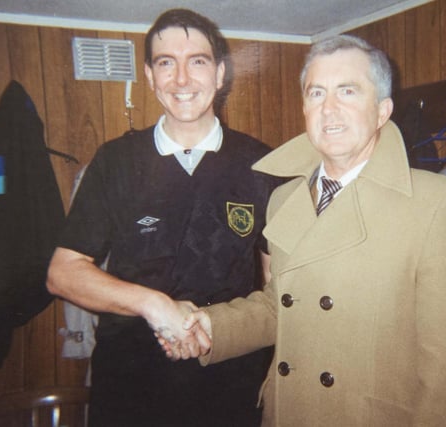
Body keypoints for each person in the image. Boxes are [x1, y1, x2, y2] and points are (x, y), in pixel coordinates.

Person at [164, 34, 446, 426]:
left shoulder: (439, 204)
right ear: (304, 107)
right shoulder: (285, 197)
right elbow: (281, 304)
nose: (329, 108)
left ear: (382, 110)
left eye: (347, 91)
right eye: (316, 93)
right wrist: (211, 325)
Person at [46, 8, 279, 427]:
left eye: (198, 61)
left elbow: (277, 292)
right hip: (130, 388)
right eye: (166, 63)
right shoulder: (115, 162)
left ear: (220, 74)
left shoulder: (263, 166)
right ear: (150, 78)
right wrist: (154, 305)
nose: (182, 79)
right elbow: (62, 274)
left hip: (230, 385)